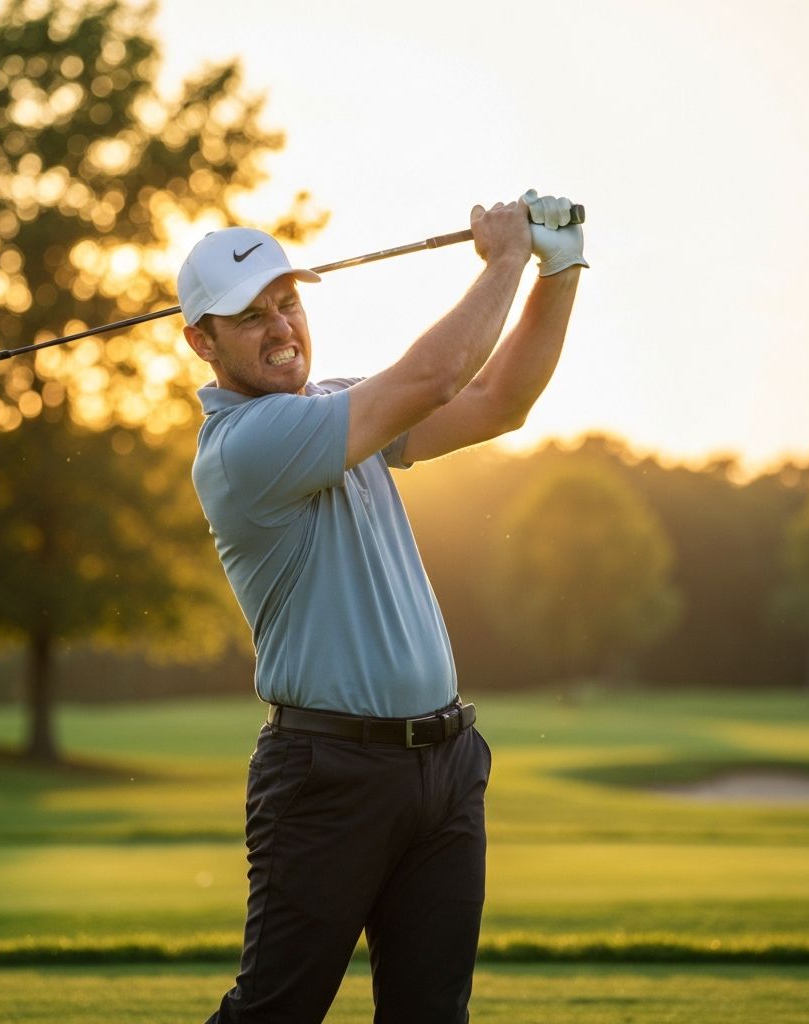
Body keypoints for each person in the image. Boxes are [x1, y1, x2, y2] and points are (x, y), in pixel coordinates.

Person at [178, 191, 587, 1023]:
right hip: (330, 779)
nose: (280, 328)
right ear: (200, 341)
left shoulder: (336, 410)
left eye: (287, 302)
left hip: (443, 766)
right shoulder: (245, 448)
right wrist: (506, 255)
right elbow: (435, 375)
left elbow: (499, 402)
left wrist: (562, 265)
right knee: (276, 1012)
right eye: (248, 317)